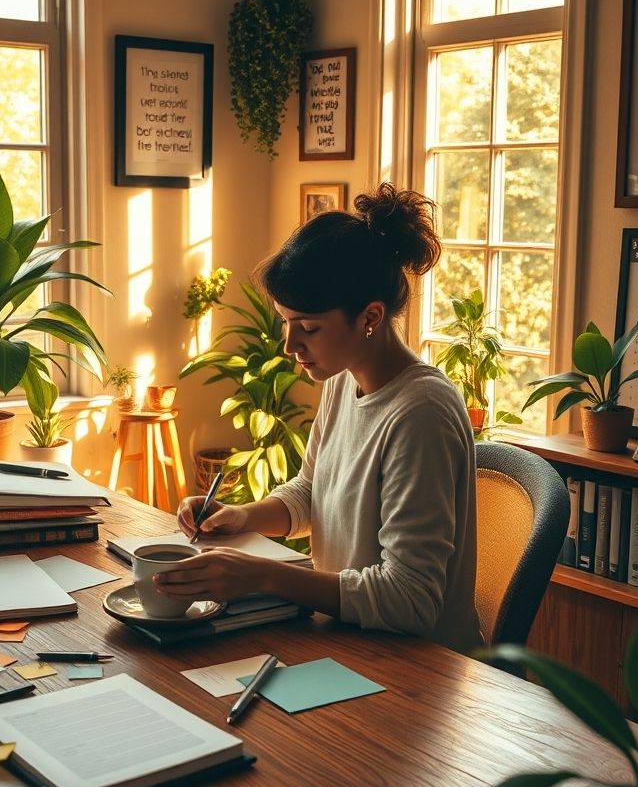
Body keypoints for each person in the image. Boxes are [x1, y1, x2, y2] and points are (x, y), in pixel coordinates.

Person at [156, 183, 482, 653]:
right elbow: (312, 492)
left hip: (418, 669)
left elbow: (410, 600)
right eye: (287, 323)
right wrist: (242, 516)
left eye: (308, 328)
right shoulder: (340, 380)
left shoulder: (421, 413)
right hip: (348, 640)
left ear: (370, 317)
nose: (291, 347)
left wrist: (266, 576)